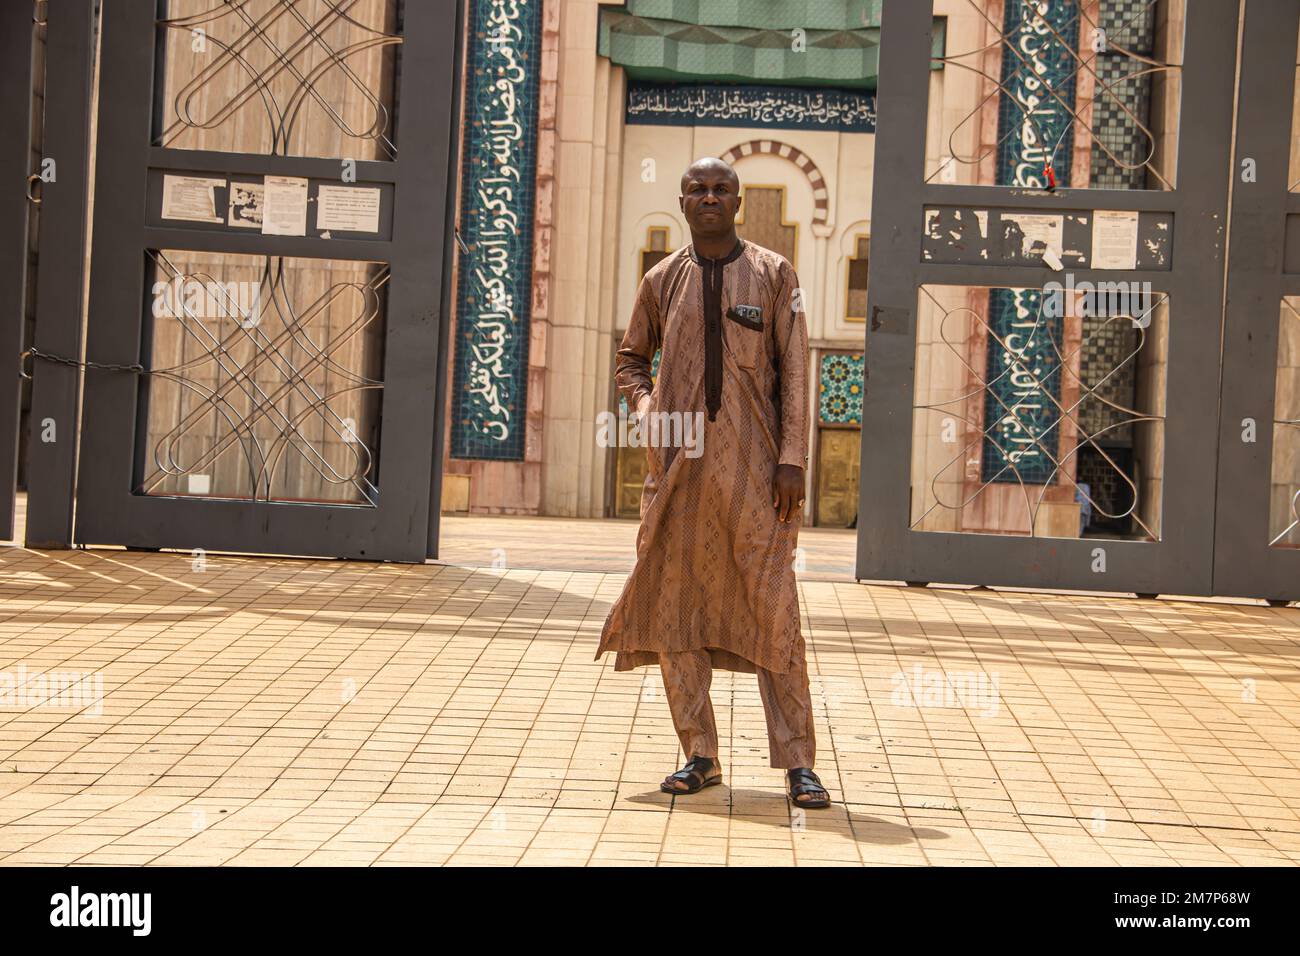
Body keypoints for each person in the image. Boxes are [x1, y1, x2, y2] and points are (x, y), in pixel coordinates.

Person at [594, 157, 830, 809]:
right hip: (677, 475)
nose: (709, 197)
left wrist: (793, 459)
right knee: (676, 608)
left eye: (721, 189)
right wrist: (645, 410)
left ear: (739, 201)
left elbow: (797, 371)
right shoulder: (660, 280)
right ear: (681, 200)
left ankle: (799, 763)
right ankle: (699, 753)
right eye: (696, 188)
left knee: (775, 608)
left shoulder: (775, 274)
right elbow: (630, 359)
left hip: (759, 476)